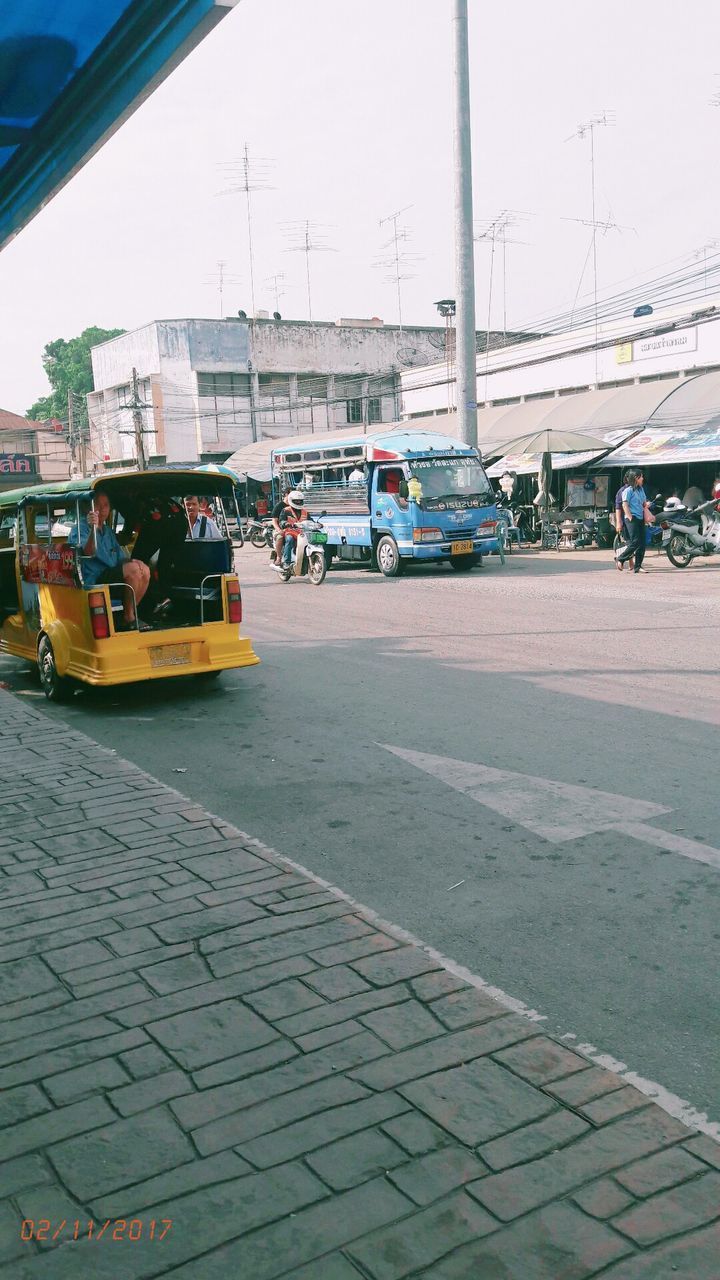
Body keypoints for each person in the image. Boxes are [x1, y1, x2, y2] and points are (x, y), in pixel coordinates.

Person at [69, 490, 150, 628]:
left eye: (106, 505)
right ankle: (129, 617)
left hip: (111, 574)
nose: (102, 509)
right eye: (98, 505)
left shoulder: (108, 531)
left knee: (144, 569)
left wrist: (135, 562)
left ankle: (130, 613)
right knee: (134, 571)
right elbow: (88, 551)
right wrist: (93, 528)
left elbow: (120, 557)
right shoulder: (79, 529)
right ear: (90, 508)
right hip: (94, 577)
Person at [615, 469, 654, 574]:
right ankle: (621, 558)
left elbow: (643, 503)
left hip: (640, 518)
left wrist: (647, 505)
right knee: (635, 541)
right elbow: (624, 505)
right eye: (641, 477)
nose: (642, 479)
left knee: (642, 543)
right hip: (632, 519)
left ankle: (638, 566)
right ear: (636, 478)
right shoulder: (627, 491)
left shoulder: (641, 490)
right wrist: (629, 517)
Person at [272, 489, 306, 571]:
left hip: (300, 531)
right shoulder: (284, 509)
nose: (298, 502)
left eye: (299, 501)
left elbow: (309, 520)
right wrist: (282, 526)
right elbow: (279, 520)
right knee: (286, 539)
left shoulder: (304, 511)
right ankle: (282, 559)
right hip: (287, 530)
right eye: (296, 501)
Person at [614, 469, 635, 571]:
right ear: (627, 478)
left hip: (636, 519)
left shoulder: (637, 489)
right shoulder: (622, 491)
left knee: (631, 542)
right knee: (630, 542)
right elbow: (618, 507)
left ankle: (631, 564)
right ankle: (621, 559)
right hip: (626, 520)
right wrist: (619, 522)